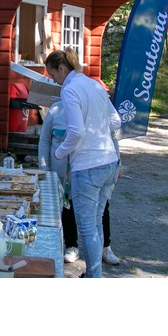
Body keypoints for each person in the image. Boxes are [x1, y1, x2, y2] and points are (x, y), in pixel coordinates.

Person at [44, 48, 121, 278]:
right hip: (109, 161)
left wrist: (59, 153)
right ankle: (92, 274)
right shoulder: (94, 85)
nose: (53, 80)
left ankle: (94, 277)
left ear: (61, 68)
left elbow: (75, 132)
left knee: (87, 229)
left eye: (52, 75)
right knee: (95, 223)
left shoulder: (70, 89)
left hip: (87, 166)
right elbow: (115, 121)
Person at [38, 100, 121, 266]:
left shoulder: (95, 109)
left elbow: (112, 137)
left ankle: (105, 247)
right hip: (63, 172)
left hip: (90, 169)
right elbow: (45, 140)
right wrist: (44, 168)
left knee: (101, 207)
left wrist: (118, 162)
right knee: (67, 205)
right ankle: (71, 246)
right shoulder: (56, 110)